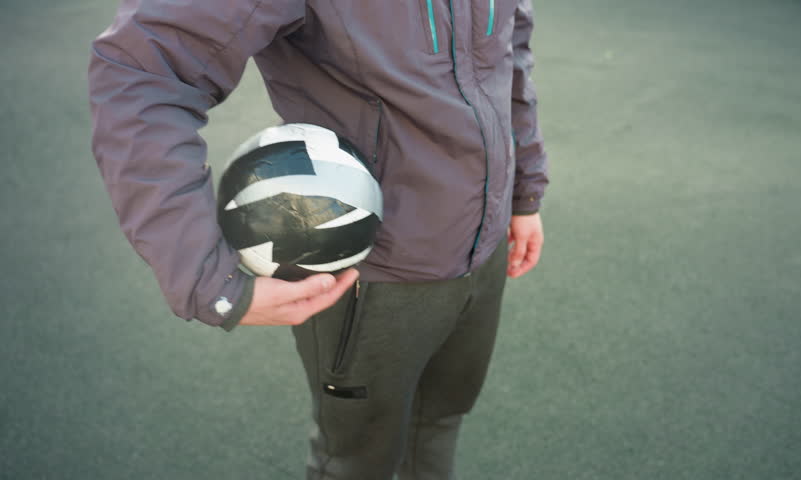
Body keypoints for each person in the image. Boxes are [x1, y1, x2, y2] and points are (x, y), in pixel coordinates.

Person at [88, 0, 548, 478]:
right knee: (356, 460)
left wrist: (524, 190)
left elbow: (507, 50)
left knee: (439, 422)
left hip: (485, 247)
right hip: (369, 273)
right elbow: (141, 71)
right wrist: (210, 281)